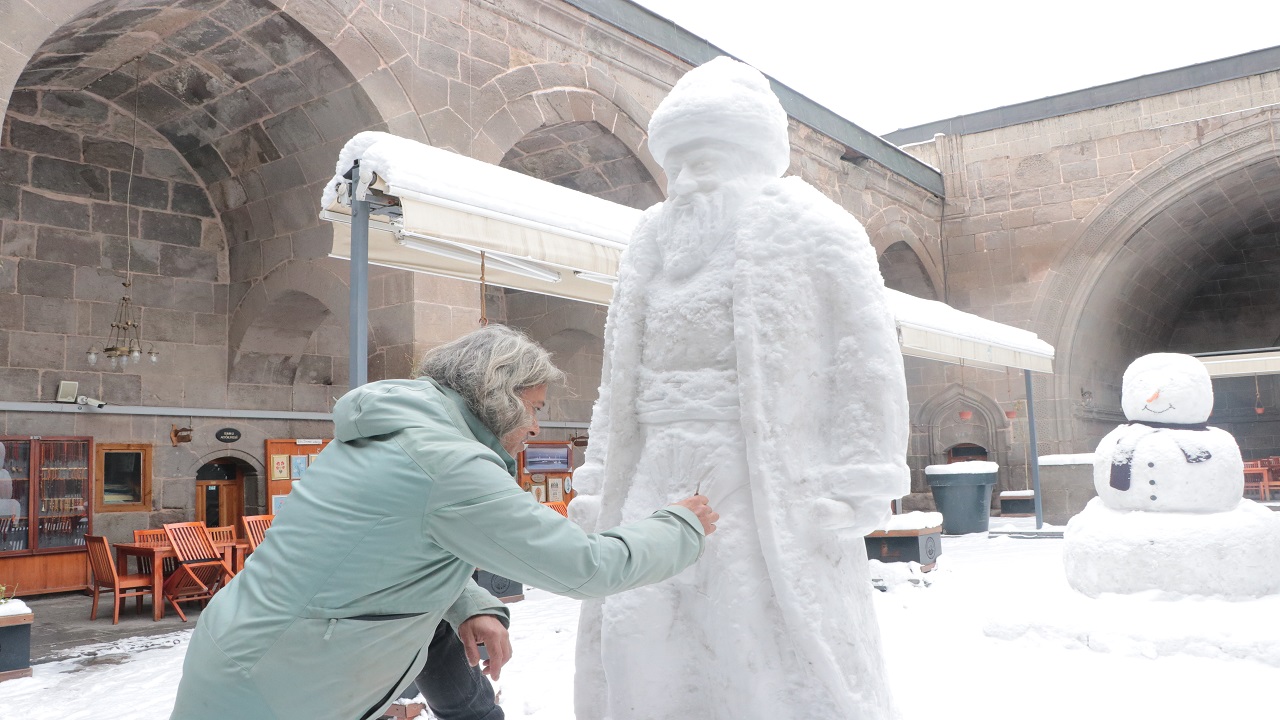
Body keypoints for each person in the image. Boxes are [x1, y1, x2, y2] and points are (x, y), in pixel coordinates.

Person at [570, 57, 910, 719]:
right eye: (682, 161)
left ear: (755, 157)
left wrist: (861, 480)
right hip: (657, 458)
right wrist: (599, 472)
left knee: (746, 623)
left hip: (756, 469)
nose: (694, 178)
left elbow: (864, 360)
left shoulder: (815, 230)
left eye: (713, 157)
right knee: (634, 618)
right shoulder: (649, 243)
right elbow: (618, 376)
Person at [170, 325, 718, 720]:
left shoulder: (393, 434)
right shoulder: (448, 462)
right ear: (501, 398)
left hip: (253, 655)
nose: (535, 425)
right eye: (535, 407)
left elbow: (390, 550)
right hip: (282, 689)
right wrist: (681, 524)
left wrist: (468, 604)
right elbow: (587, 568)